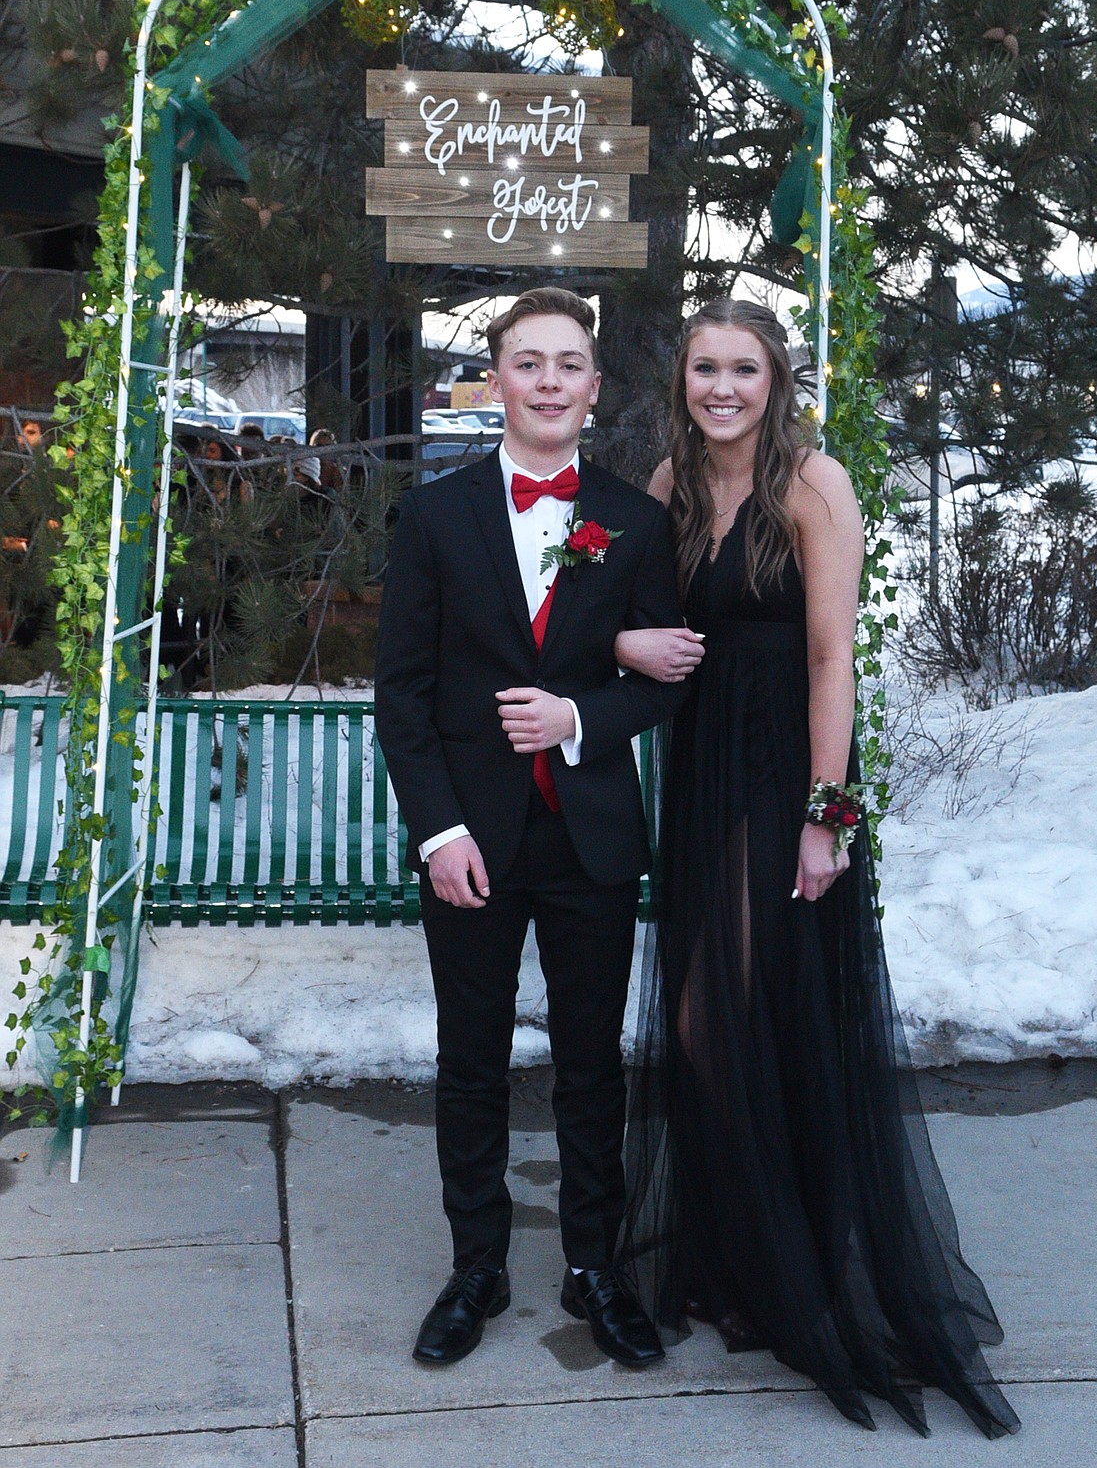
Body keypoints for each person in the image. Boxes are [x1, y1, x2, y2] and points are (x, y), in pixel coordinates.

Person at [614, 299, 1020, 1439]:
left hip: (783, 773)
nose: (723, 388)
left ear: (775, 378)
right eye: (706, 368)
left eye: (744, 368)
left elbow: (834, 655)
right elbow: (630, 618)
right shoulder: (670, 485)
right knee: (729, 1018)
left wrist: (826, 815)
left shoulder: (811, 481)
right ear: (682, 378)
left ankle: (786, 1267)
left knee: (722, 1017)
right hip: (699, 777)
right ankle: (739, 1258)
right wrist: (615, 645)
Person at [375, 286, 687, 1371]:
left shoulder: (636, 521)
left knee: (593, 1063)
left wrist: (580, 717)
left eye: (569, 365)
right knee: (471, 1061)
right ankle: (477, 1268)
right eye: (528, 363)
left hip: (591, 836)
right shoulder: (435, 516)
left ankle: (594, 1267)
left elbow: (665, 680)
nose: (549, 381)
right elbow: (404, 699)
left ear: (595, 390)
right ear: (496, 379)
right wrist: (438, 832)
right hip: (472, 842)